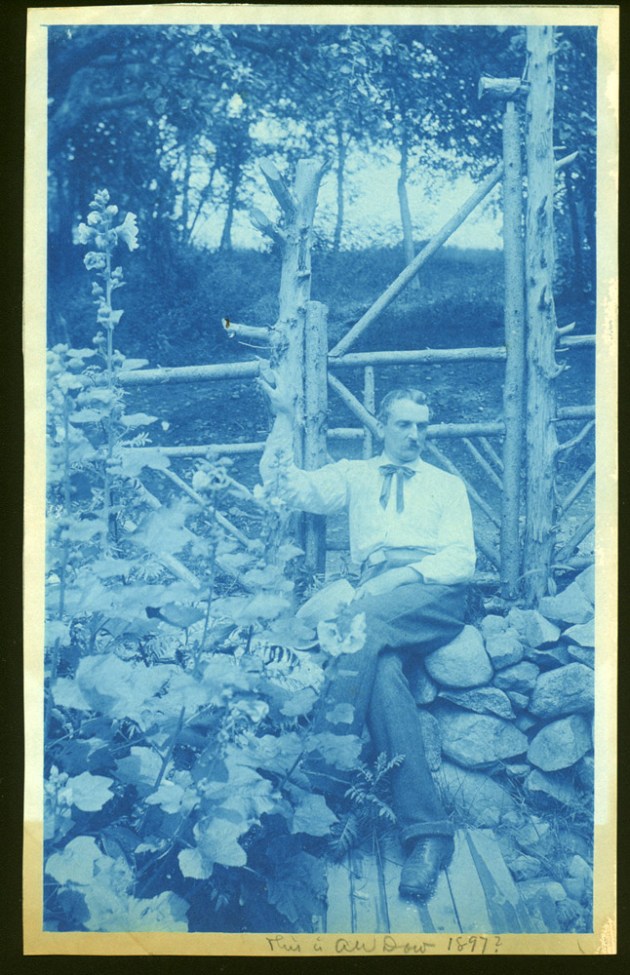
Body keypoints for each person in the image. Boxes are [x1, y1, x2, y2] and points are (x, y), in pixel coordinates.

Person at [258, 381, 476, 901]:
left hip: (433, 593)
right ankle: (428, 834)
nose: (415, 435)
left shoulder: (446, 485)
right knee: (382, 677)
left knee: (363, 622)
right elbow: (288, 488)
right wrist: (283, 419)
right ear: (382, 427)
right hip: (375, 600)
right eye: (404, 424)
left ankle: (319, 785)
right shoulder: (354, 475)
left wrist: (398, 577)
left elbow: (460, 559)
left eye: (422, 426)